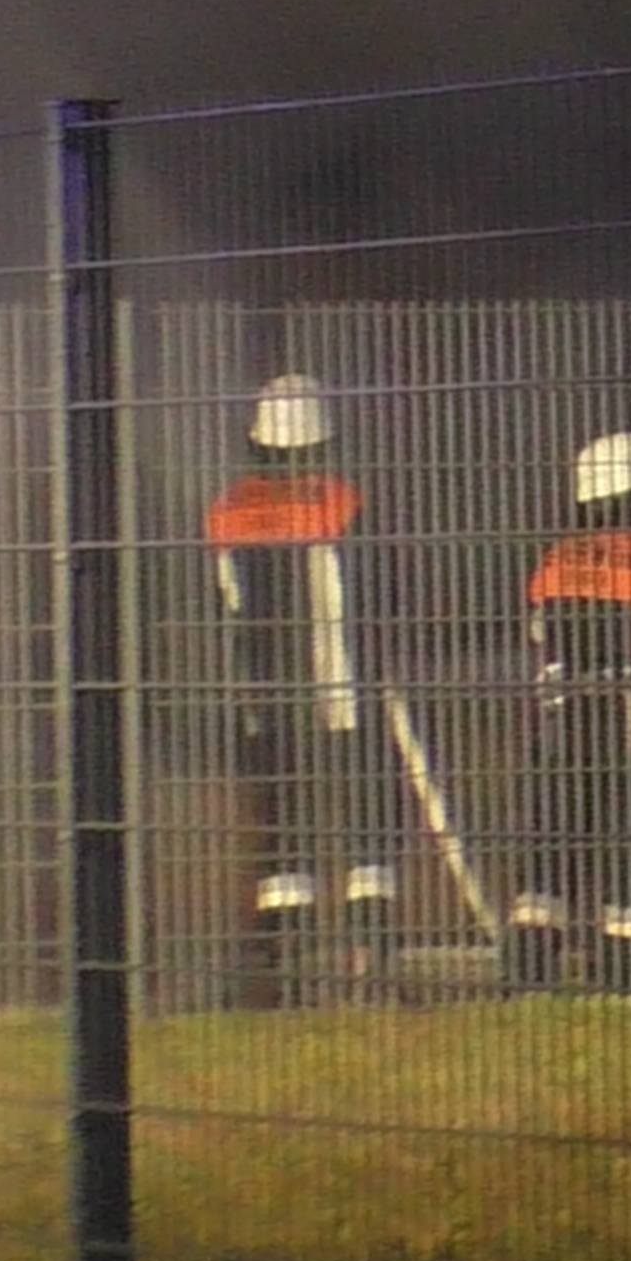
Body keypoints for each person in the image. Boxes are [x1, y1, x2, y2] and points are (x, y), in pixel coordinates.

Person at [208, 372, 399, 996]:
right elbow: (371, 592)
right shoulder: (342, 502)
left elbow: (224, 600)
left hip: (262, 688)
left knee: (280, 811)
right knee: (370, 804)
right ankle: (371, 948)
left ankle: (286, 956)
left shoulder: (228, 510)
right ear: (323, 440)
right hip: (342, 680)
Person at [512, 431, 631, 989]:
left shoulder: (555, 560)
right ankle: (625, 964)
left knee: (552, 842)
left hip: (559, 727)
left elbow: (537, 638)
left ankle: (527, 962)